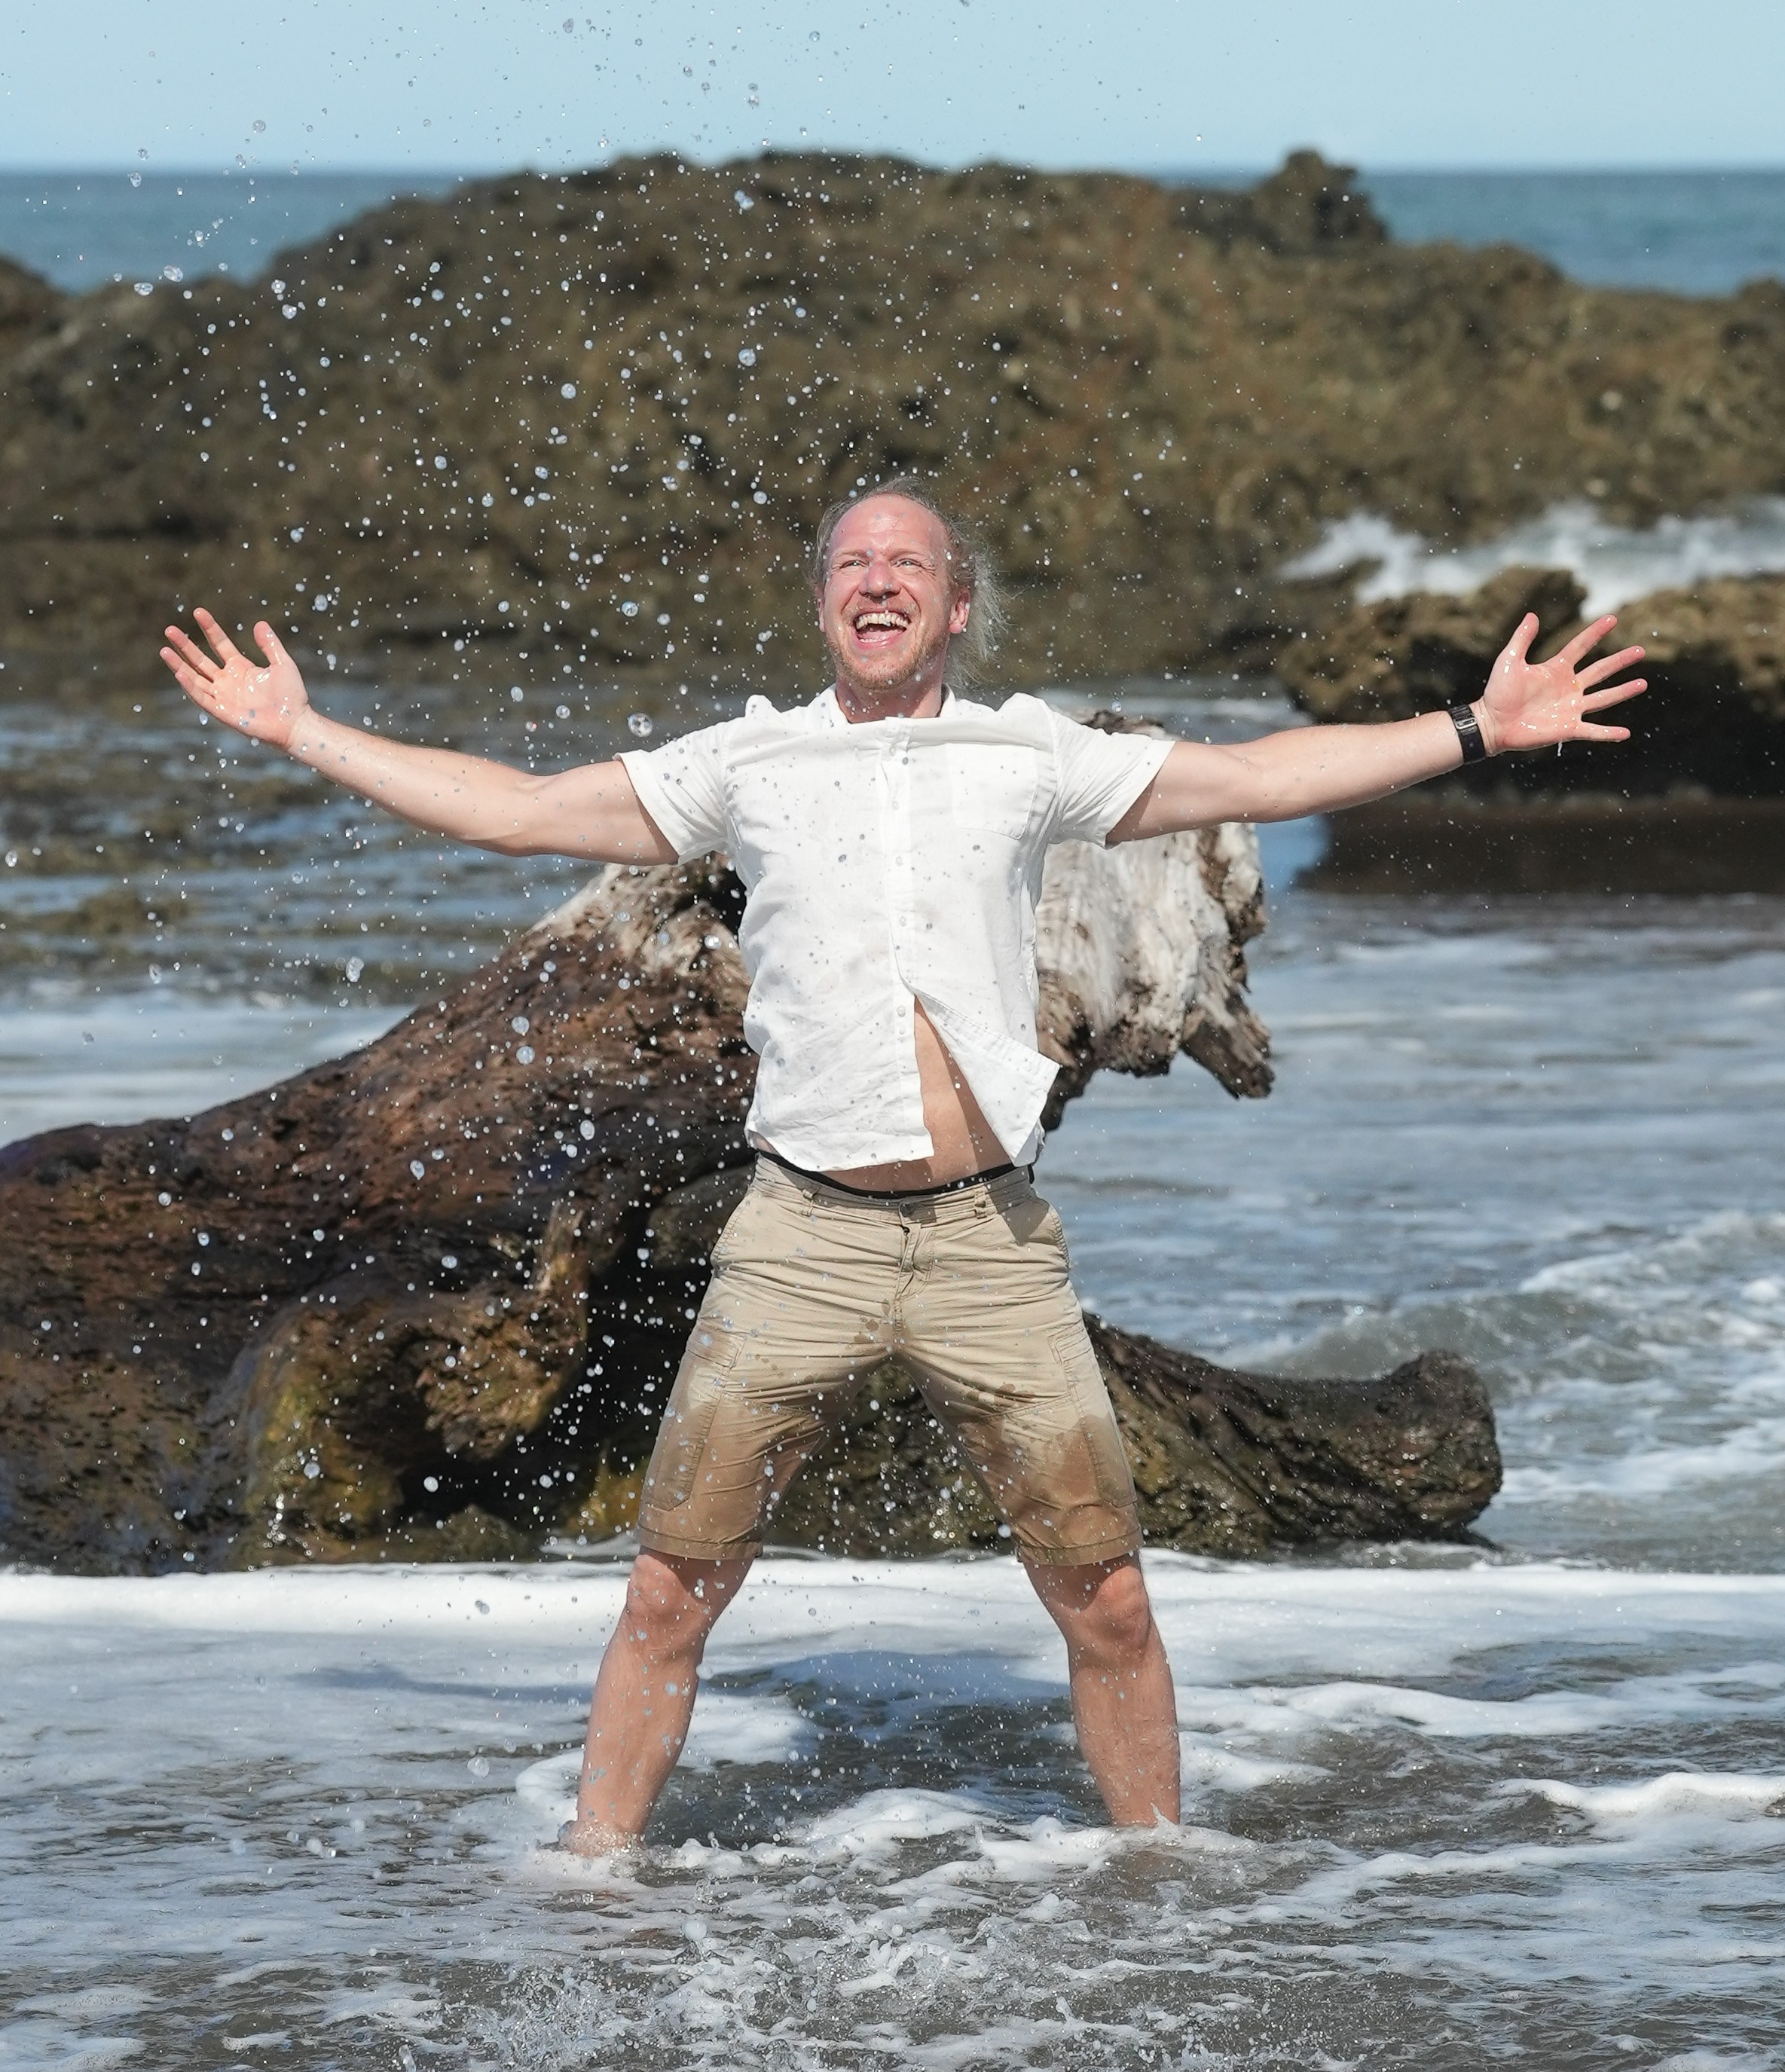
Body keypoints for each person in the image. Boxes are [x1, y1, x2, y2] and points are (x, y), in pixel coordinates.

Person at [160, 490, 1645, 1850]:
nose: (878, 581)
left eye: (908, 565)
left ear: (952, 606)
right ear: (825, 604)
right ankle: (590, 1883)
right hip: (799, 1237)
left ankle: (1161, 1880)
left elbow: (1256, 769)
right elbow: (519, 809)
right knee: (674, 1585)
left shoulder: (1025, 753)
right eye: (853, 563)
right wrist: (305, 733)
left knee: (1108, 1596)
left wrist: (1473, 730)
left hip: (990, 1239)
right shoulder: (748, 763)